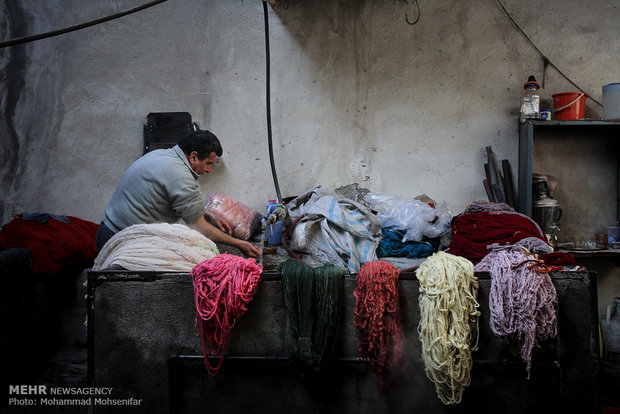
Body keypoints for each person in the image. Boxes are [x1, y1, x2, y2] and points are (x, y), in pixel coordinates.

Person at [95, 129, 261, 258]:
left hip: (106, 230)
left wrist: (209, 215)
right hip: (119, 241)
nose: (209, 170)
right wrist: (239, 244)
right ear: (194, 157)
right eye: (208, 164)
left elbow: (179, 203)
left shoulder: (161, 156)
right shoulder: (180, 175)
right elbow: (200, 228)